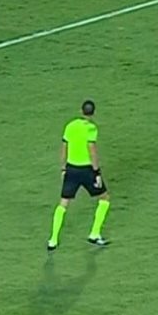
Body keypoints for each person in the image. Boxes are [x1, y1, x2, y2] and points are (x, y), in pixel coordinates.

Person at [48, 100, 111, 250]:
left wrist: (63, 168)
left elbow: (64, 148)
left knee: (63, 203)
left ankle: (53, 239)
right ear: (93, 113)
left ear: (81, 111)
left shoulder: (70, 126)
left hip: (71, 169)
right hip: (87, 171)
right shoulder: (91, 129)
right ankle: (94, 233)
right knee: (104, 198)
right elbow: (92, 150)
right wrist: (96, 172)